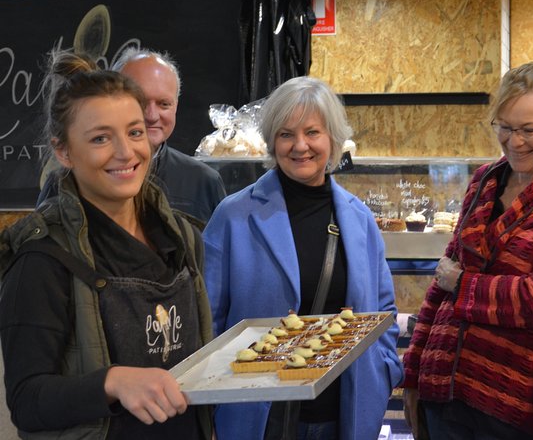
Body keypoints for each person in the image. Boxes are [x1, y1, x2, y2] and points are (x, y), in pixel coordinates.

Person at [0, 50, 213, 438]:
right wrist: (112, 382)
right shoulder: (41, 257)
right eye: (101, 138)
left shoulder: (181, 238)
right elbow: (27, 401)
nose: (126, 153)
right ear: (64, 151)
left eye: (134, 132)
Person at [402, 62, 533, 439]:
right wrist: (412, 374)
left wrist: (462, 284)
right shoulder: (484, 180)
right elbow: (439, 286)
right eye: (505, 127)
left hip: (510, 404)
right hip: (443, 388)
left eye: (529, 130)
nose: (515, 142)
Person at [203, 76, 403, 440]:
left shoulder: (358, 220)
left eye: (312, 132)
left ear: (333, 139)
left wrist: (384, 371)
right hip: (257, 417)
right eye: (285, 134)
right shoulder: (233, 217)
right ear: (271, 140)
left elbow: (382, 313)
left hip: (342, 414)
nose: (300, 146)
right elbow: (208, 321)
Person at [38, 46, 226, 224]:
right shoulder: (64, 182)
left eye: (164, 104)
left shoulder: (203, 182)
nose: (152, 116)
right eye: (141, 102)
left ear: (176, 105)